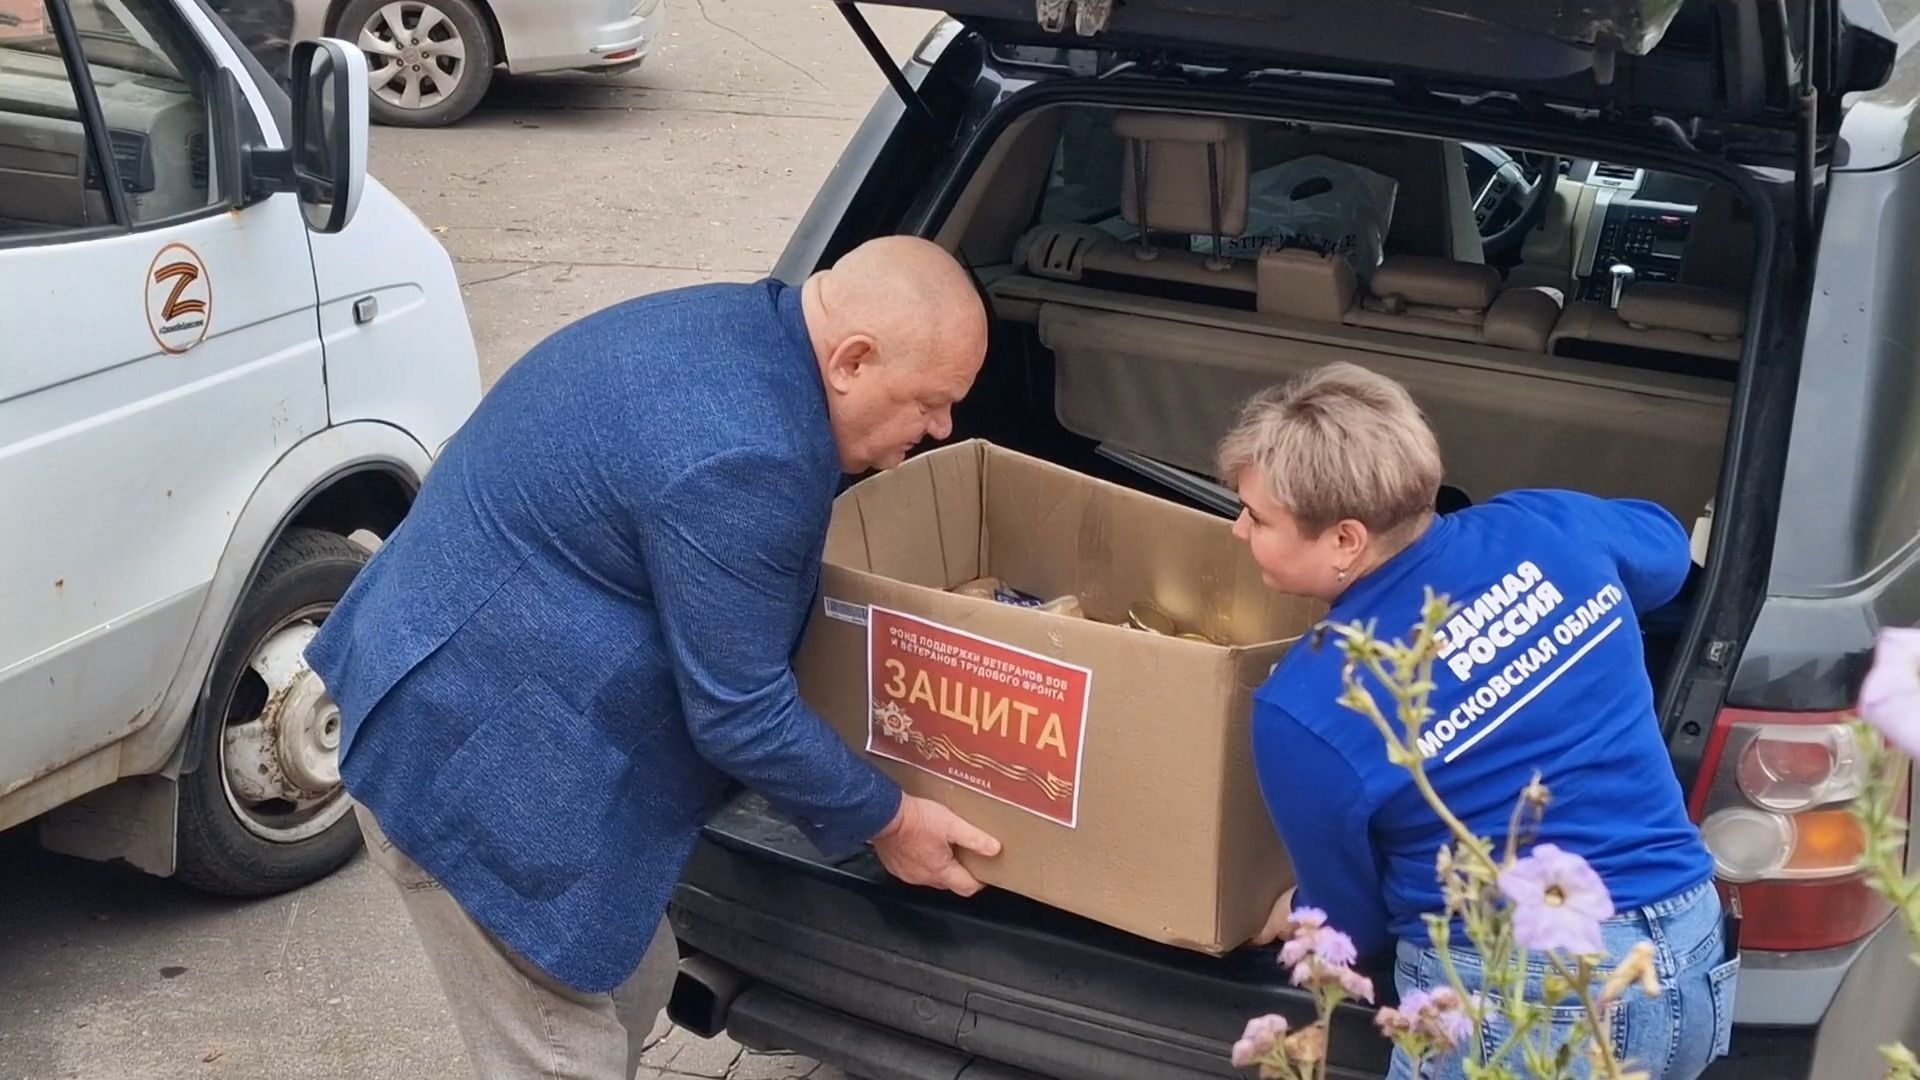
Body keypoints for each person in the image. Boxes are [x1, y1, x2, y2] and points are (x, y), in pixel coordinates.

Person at [305, 236, 1003, 1080]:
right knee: (565, 1053)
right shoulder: (753, 456)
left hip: (477, 669)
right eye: (931, 402)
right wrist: (890, 819)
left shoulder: (744, 328)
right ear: (853, 361)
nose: (942, 430)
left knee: (637, 983)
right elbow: (741, 714)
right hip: (466, 759)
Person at [1217, 362, 1734, 1079]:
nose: (1238, 529)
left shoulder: (1306, 706)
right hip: (1685, 951)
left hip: (1519, 997)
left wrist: (1297, 909)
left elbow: (1353, 925)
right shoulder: (1548, 525)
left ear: (1344, 540)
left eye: (1258, 517)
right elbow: (1668, 554)